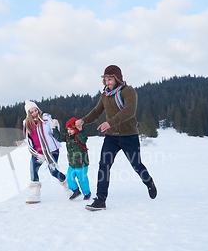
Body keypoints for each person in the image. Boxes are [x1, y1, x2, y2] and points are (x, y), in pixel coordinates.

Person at [75, 65, 157, 211]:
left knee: (136, 165)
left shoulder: (128, 91)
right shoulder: (105, 95)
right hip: (111, 137)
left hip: (129, 136)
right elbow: (96, 111)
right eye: (105, 79)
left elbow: (130, 111)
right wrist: (83, 120)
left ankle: (149, 182)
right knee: (104, 166)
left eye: (110, 79)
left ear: (118, 78)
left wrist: (110, 122)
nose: (107, 82)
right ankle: (100, 200)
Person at [23, 100, 71, 204]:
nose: (35, 113)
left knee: (53, 171)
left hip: (51, 151)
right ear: (28, 114)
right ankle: (34, 194)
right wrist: (24, 142)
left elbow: (54, 131)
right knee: (33, 170)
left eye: (36, 110)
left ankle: (67, 184)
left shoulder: (46, 118)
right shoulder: (27, 124)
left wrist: (55, 125)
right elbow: (29, 138)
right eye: (32, 112)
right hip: (38, 153)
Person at [52, 117, 91, 200]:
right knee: (69, 177)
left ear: (76, 129)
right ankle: (76, 191)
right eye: (68, 129)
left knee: (82, 179)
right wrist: (55, 128)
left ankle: (87, 193)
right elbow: (58, 137)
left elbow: (84, 138)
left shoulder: (79, 136)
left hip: (82, 164)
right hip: (72, 164)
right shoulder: (67, 137)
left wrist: (80, 130)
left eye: (71, 129)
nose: (69, 131)